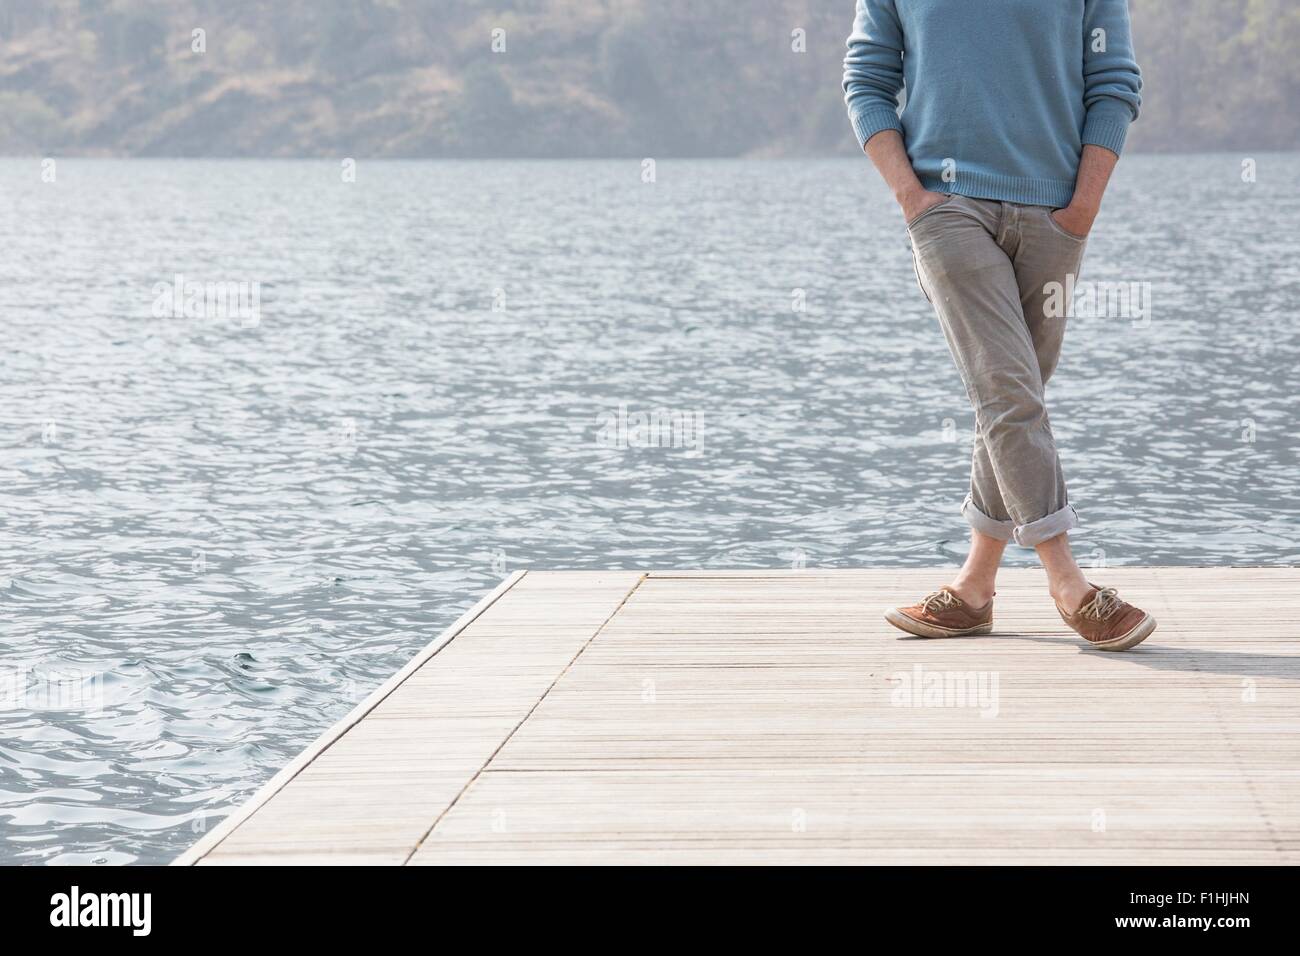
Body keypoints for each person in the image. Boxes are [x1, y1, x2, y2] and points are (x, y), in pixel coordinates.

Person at [843, 0, 1154, 650]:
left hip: (1057, 216)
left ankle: (973, 589)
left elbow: (1114, 83)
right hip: (947, 208)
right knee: (1008, 389)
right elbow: (867, 81)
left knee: (1011, 397)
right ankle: (1069, 584)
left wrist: (1082, 209)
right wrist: (913, 199)